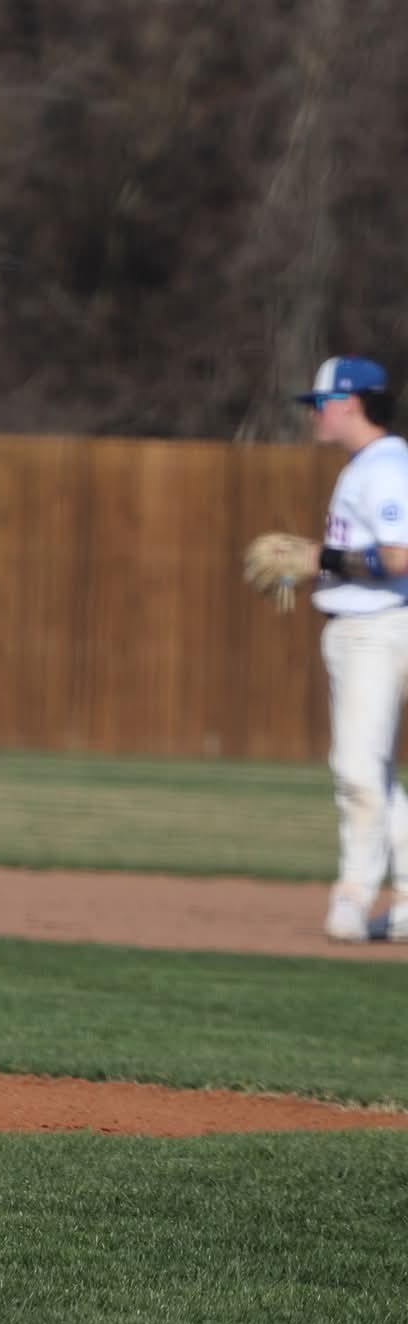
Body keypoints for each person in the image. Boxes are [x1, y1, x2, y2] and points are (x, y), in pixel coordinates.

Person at [242, 356, 408, 942]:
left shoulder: (384, 467)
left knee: (358, 772)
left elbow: (399, 557)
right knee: (373, 773)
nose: (314, 414)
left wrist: (322, 559)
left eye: (320, 404)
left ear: (351, 402)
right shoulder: (371, 465)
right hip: (374, 625)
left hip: (376, 629)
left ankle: (353, 896)